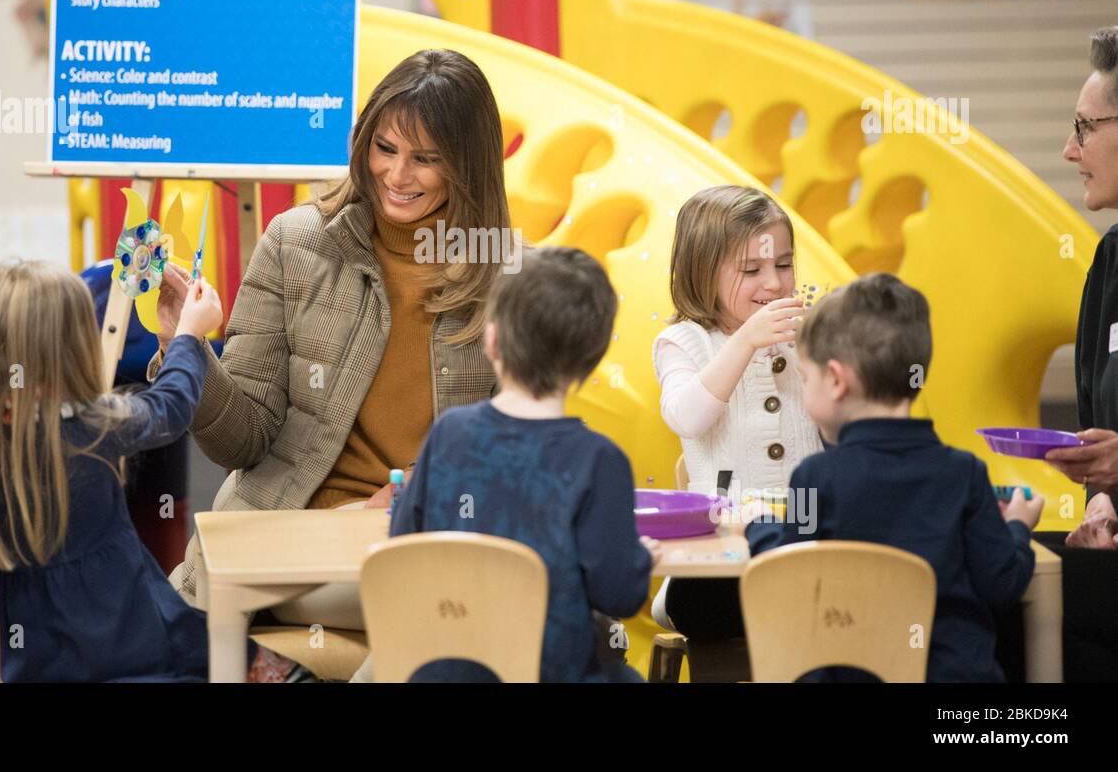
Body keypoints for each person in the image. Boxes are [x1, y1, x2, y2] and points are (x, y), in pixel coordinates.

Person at [152, 50, 509, 633]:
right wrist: (186, 348)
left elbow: (524, 446)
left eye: (426, 159)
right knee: (446, 616)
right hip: (297, 541)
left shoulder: (506, 274)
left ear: (469, 166)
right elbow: (242, 441)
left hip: (438, 541)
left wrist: (426, 489)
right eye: (385, 149)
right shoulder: (296, 243)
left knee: (496, 605)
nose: (397, 175)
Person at [0, 260, 307, 681]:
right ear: (73, 347)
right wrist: (187, 335)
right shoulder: (90, 432)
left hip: (36, 666)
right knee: (260, 664)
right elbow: (170, 406)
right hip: (130, 655)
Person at [746, 273, 1042, 682]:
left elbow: (791, 576)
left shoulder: (811, 478)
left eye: (805, 377)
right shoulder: (965, 474)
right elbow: (1002, 584)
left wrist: (759, 522)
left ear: (835, 380)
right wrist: (1018, 527)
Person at [390, 246, 658, 682]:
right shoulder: (600, 460)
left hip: (442, 671)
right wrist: (641, 560)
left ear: (491, 340)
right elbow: (619, 596)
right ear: (590, 361)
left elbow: (404, 545)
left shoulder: (448, 434)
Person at [650, 186, 822, 674]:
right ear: (703, 274)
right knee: (710, 608)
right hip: (720, 554)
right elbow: (687, 416)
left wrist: (818, 357)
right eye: (752, 270)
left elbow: (842, 426)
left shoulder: (805, 334)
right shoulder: (684, 341)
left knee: (846, 587)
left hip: (800, 539)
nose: (773, 282)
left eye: (784, 265)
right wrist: (746, 340)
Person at [1052, 25, 1118, 548]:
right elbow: (1094, 424)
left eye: (1084, 128)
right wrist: (1100, 502)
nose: (1069, 151)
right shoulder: (1109, 259)